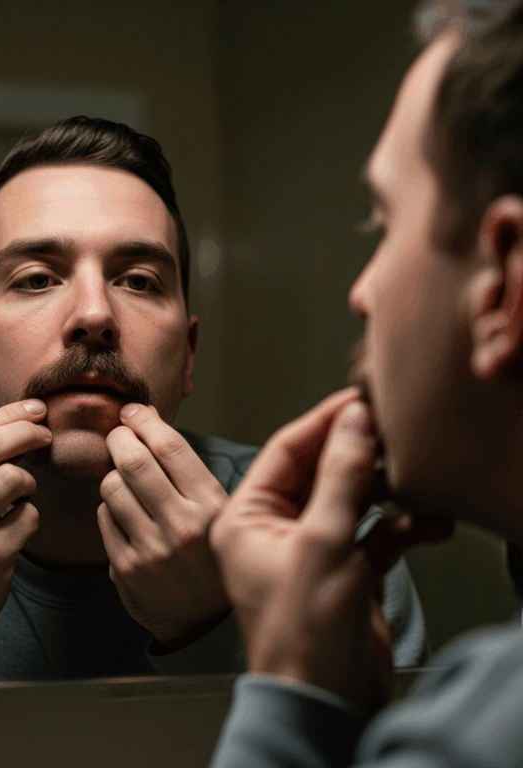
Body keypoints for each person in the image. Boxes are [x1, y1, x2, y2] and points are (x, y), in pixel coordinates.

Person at [0, 118, 424, 689]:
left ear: (188, 356)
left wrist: (216, 633)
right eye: (37, 278)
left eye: (137, 279)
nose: (95, 314)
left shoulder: (332, 540)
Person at [209, 1, 523, 766]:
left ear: (504, 290)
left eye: (382, 224)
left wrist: (290, 700)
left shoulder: (468, 743)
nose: (361, 292)